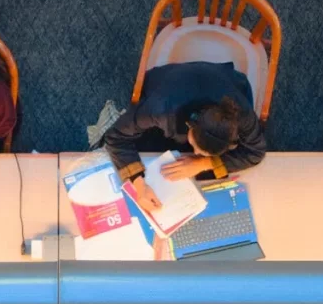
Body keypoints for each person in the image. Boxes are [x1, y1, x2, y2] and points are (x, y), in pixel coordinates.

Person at [101, 61, 266, 213]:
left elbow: (256, 151)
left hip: (221, 79)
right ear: (190, 125)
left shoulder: (239, 112)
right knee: (148, 145)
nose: (195, 153)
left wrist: (204, 163)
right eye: (195, 146)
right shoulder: (160, 109)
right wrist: (139, 185)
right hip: (170, 83)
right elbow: (116, 136)